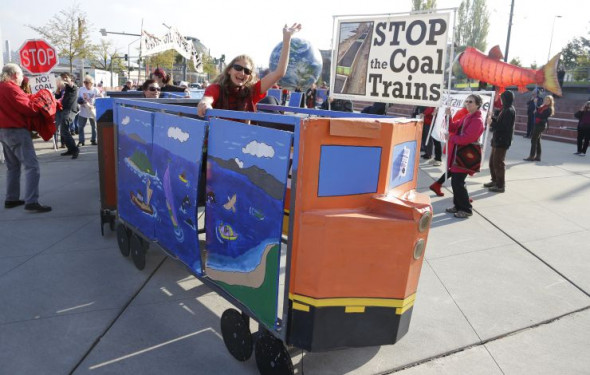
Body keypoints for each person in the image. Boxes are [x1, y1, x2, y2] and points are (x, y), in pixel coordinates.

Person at [198, 23, 301, 117]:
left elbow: (279, 72)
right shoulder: (216, 89)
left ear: (250, 76)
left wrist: (287, 40)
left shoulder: (251, 92)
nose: (242, 73)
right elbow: (207, 99)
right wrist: (205, 104)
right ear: (229, 70)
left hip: (245, 136)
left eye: (247, 71)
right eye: (238, 68)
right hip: (219, 135)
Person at [0, 63, 51, 212]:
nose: (23, 78)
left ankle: (11, 198)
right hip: (16, 130)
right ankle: (31, 202)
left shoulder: (2, 87)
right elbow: (30, 109)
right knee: (32, 166)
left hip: (3, 130)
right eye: (21, 75)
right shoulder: (11, 88)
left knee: (13, 166)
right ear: (15, 75)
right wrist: (40, 102)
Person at [443, 94, 485, 219]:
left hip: (466, 155)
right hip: (460, 154)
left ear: (477, 104)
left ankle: (466, 209)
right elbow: (453, 127)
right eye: (466, 101)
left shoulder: (477, 120)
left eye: (470, 101)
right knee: (457, 182)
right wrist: (448, 115)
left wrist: (451, 138)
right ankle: (458, 205)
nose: (467, 103)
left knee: (458, 182)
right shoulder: (467, 116)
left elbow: (467, 138)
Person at [484, 90, 515, 193]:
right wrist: (492, 117)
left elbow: (504, 127)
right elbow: (499, 121)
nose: (501, 100)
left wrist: (492, 123)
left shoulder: (509, 111)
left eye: (502, 98)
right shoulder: (505, 109)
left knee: (498, 163)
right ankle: (495, 180)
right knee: (492, 162)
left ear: (506, 99)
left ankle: (500, 185)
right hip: (497, 139)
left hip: (502, 140)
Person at [55, 73, 80, 159]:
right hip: (64, 110)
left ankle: (75, 150)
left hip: (70, 110)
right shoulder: (64, 89)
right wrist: (58, 87)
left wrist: (66, 80)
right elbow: (57, 96)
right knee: (63, 131)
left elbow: (71, 85)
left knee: (64, 131)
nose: (63, 80)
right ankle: (70, 149)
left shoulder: (73, 87)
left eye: (64, 78)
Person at [524, 95, 554, 162]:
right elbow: (538, 109)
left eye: (548, 100)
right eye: (545, 100)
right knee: (537, 141)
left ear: (550, 102)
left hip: (540, 125)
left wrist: (536, 112)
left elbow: (541, 115)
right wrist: (535, 103)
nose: (546, 101)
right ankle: (538, 156)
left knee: (533, 140)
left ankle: (531, 156)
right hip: (538, 124)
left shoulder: (549, 109)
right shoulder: (543, 107)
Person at [77, 75, 102, 146]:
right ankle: (81, 141)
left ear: (91, 83)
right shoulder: (81, 89)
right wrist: (81, 102)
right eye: (84, 82)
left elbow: (100, 99)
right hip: (83, 110)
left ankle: (93, 140)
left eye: (87, 82)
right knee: (81, 126)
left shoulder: (95, 90)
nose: (85, 84)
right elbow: (78, 99)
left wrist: (94, 106)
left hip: (92, 110)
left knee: (94, 126)